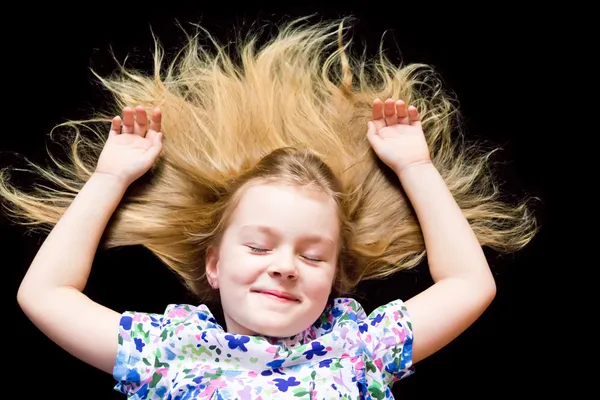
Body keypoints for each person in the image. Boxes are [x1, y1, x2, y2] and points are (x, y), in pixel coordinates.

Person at [2, 17, 538, 399]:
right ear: (213, 263)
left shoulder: (356, 348)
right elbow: (44, 295)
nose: (283, 265)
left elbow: (471, 285)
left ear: (336, 279)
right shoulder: (167, 351)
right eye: (259, 245)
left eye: (312, 256)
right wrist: (109, 176)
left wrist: (416, 169)